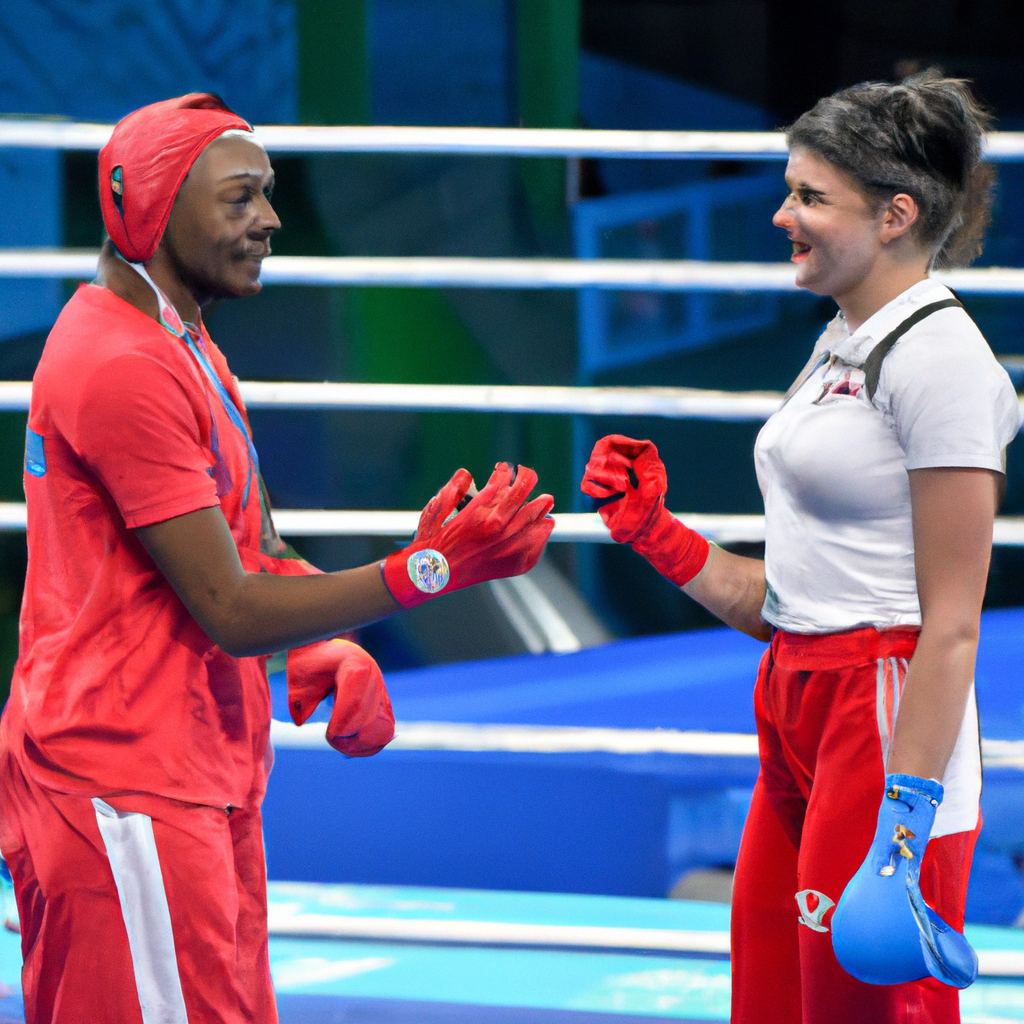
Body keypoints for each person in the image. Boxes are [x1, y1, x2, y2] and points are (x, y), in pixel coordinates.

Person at [0, 94, 553, 1024]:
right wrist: (426, 571)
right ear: (150, 206)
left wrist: (314, 640)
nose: (269, 220)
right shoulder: (122, 363)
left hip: (184, 772)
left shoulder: (182, 343)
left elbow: (243, 547)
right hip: (127, 783)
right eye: (240, 197)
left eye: (267, 194)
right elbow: (228, 604)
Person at [581, 72, 1020, 1024]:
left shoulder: (941, 362)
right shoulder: (840, 341)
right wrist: (657, 536)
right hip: (798, 691)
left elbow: (948, 625)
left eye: (811, 196)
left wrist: (902, 825)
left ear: (897, 214)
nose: (782, 214)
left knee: (861, 1005)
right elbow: (788, 601)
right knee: (773, 997)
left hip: (883, 712)